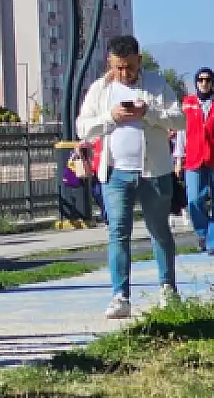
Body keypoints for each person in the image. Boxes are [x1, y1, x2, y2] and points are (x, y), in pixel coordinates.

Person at [76, 34, 185, 320]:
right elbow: (83, 128)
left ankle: (167, 288)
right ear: (110, 62)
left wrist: (149, 113)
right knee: (118, 232)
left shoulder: (157, 85)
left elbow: (180, 119)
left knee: (159, 230)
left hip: (155, 172)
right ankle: (120, 295)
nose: (124, 73)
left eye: (130, 67)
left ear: (140, 60)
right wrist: (111, 117)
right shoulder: (100, 89)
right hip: (116, 174)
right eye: (118, 67)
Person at [178, 68, 214, 255]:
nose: (204, 83)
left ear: (213, 82)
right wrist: (179, 159)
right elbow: (181, 133)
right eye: (201, 80)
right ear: (196, 82)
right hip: (194, 158)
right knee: (194, 198)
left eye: (208, 80)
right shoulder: (187, 104)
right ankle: (202, 234)